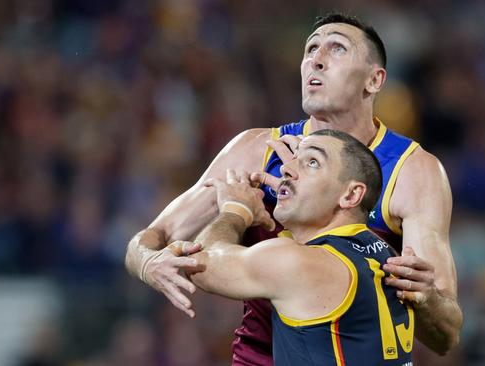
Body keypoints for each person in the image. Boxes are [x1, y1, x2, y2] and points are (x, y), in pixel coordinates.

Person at [125, 13, 462, 365]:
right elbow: (149, 240)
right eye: (311, 48)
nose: (316, 59)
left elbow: (446, 334)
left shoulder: (412, 171)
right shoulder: (254, 151)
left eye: (337, 49)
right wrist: (149, 264)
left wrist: (427, 300)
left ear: (375, 80)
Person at [177, 130, 414, 365]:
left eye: (312, 162)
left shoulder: (298, 261)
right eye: (294, 159)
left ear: (351, 195)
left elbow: (200, 263)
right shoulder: (386, 254)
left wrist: (236, 210)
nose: (285, 169)